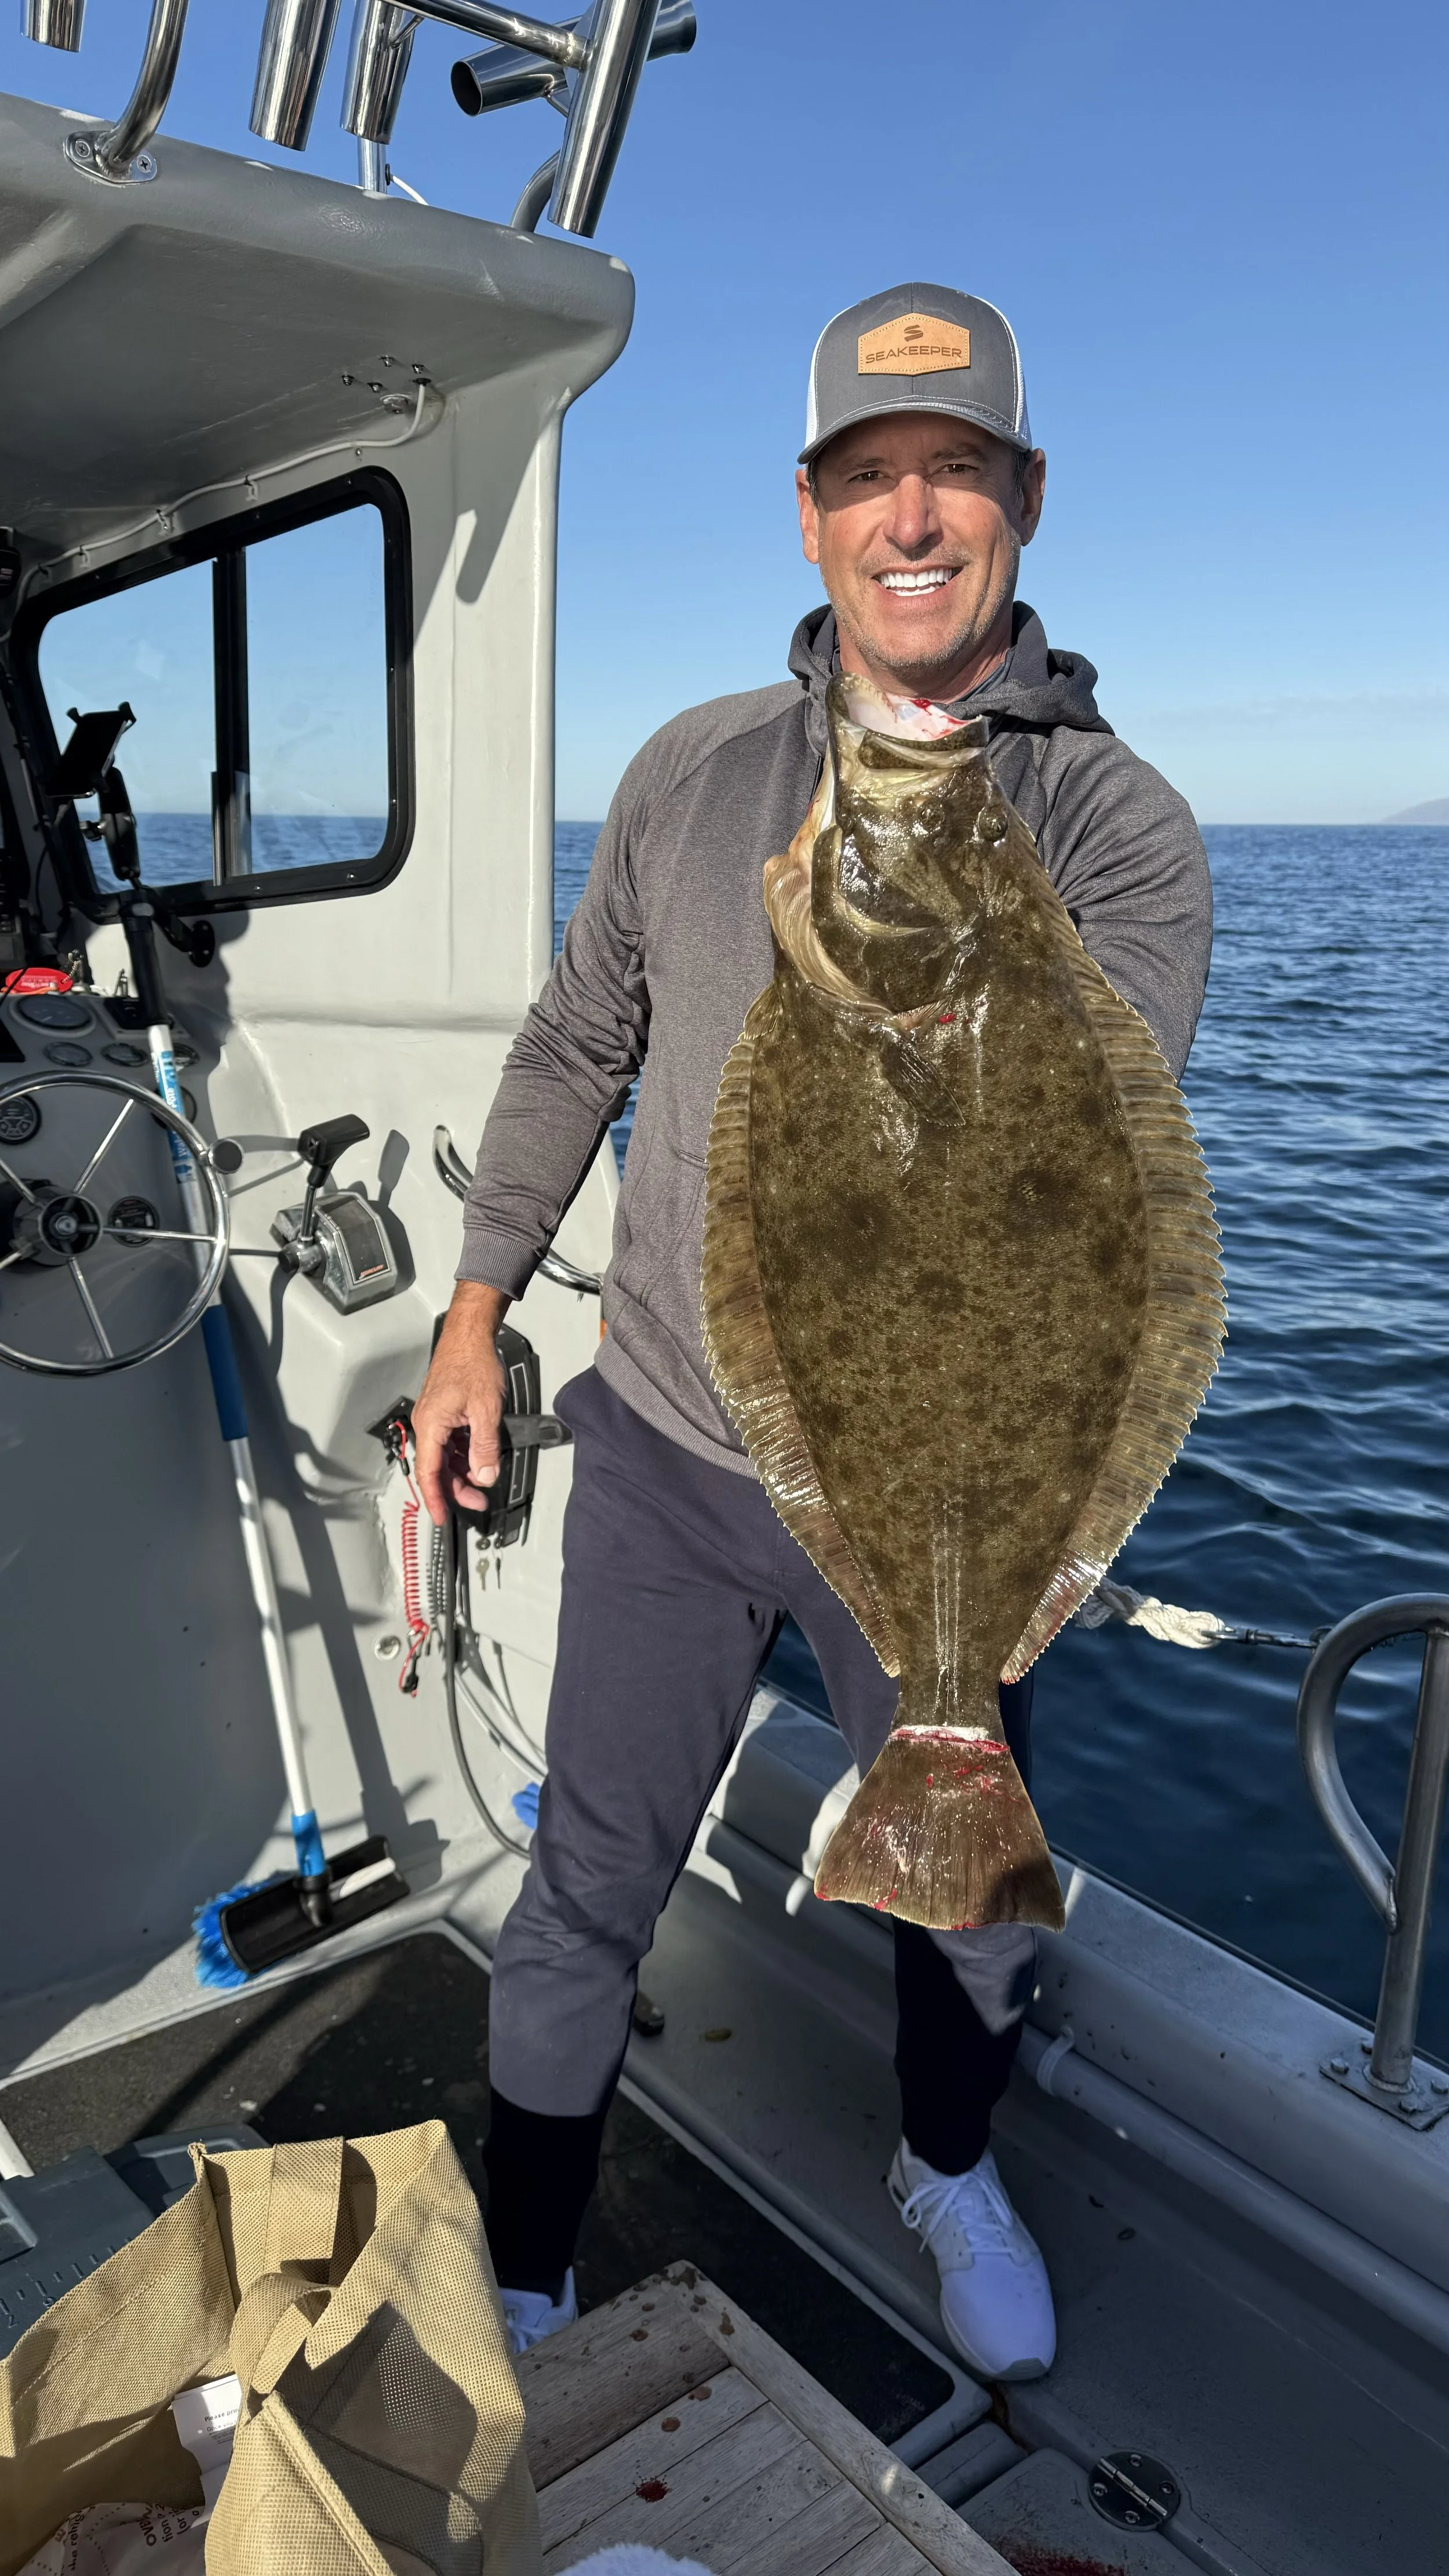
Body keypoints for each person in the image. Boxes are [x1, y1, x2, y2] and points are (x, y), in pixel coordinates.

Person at [413, 283, 1213, 2378]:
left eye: (953, 469)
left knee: (959, 1895)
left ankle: (945, 2165)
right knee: (587, 1877)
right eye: (870, 476)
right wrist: (479, 1306)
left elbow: (1087, 1180)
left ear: (1021, 503)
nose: (912, 513)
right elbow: (582, 1035)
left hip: (938, 1484)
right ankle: (526, 2252)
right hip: (676, 1450)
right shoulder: (692, 774)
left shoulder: (1114, 829)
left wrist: (931, 917)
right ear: (808, 518)